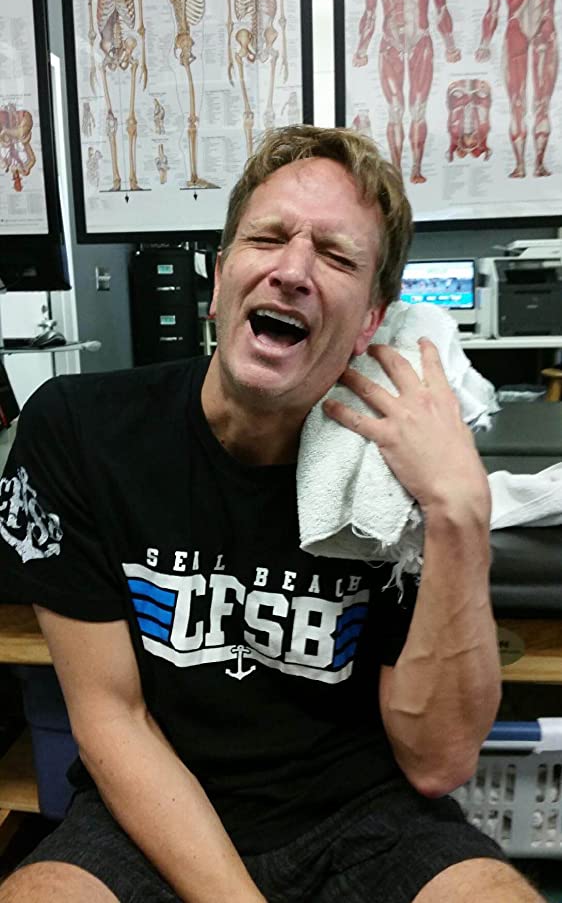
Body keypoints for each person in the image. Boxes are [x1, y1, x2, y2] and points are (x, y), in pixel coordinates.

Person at [0, 125, 543, 902]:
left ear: (372, 319)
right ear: (220, 279)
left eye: (336, 255)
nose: (292, 270)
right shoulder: (81, 432)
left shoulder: (392, 481)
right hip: (153, 810)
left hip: (363, 816)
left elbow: (438, 762)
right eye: (267, 237)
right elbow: (113, 717)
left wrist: (459, 513)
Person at [352, 0, 461, 184]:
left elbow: (441, 10)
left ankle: (417, 169)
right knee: (395, 110)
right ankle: (397, 171)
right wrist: (362, 49)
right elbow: (369, 14)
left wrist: (450, 45)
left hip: (420, 42)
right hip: (389, 44)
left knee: (418, 109)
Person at [475, 0, 562, 179]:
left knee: (542, 103)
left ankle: (539, 163)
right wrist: (484, 43)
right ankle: (520, 165)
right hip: (516, 33)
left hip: (546, 32)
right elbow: (492, 9)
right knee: (517, 102)